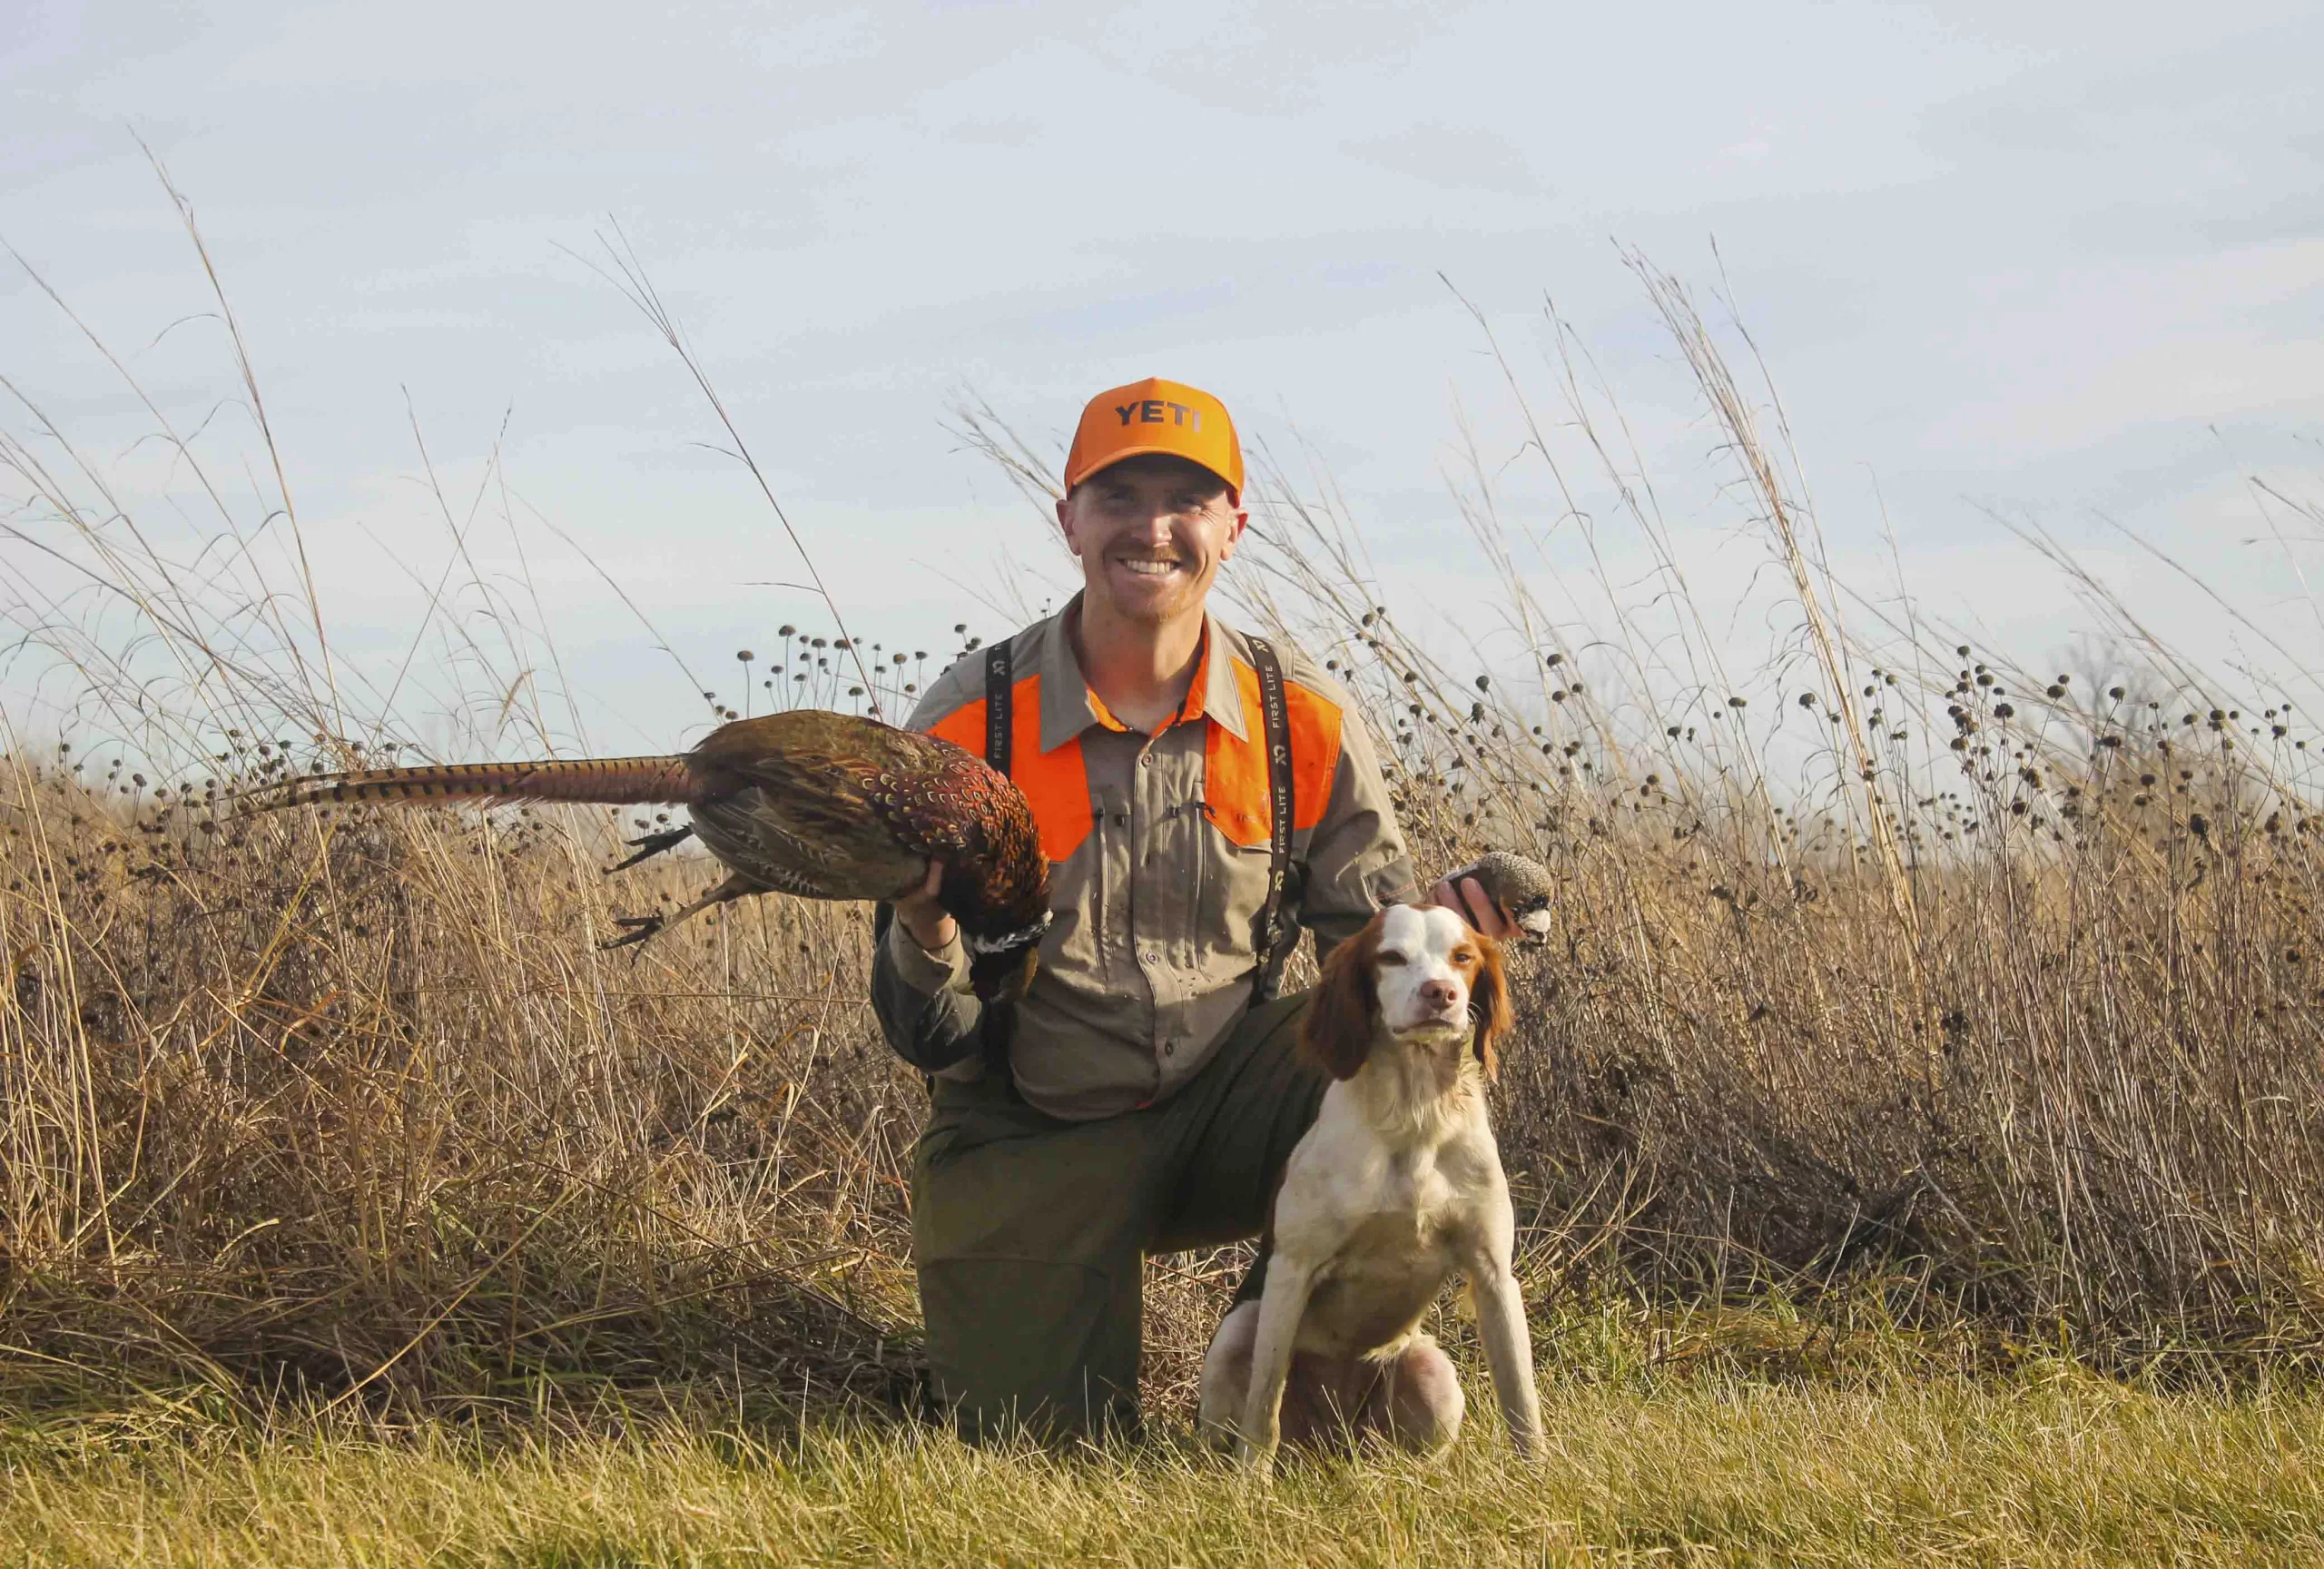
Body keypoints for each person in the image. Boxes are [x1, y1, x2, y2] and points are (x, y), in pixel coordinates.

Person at [871, 376, 1517, 1441]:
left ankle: (1309, 1362)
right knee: (1042, 1456)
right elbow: (925, 1035)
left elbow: (1373, 949)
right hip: (1033, 1118)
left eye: (1187, 499)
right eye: (1119, 496)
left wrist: (1452, 931)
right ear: (1068, 516)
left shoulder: (1296, 715)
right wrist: (926, 924)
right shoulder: (971, 724)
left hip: (1232, 1092)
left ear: (1233, 524)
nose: (1153, 528)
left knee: (1385, 1054)